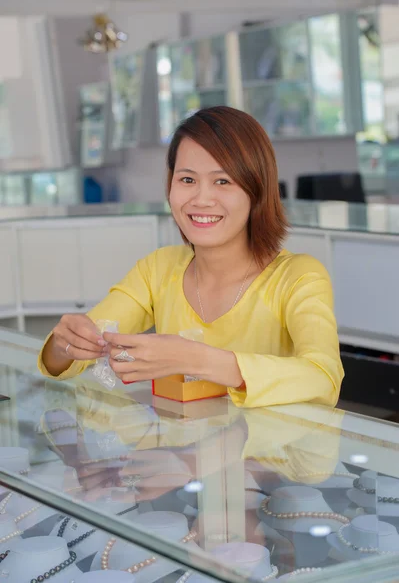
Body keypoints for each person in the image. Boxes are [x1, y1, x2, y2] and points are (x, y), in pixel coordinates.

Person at [38, 106, 344, 408]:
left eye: (223, 181)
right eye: (187, 180)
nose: (201, 199)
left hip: (267, 455)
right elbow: (60, 362)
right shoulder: (158, 269)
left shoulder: (298, 276)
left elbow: (324, 378)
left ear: (257, 191)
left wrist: (195, 358)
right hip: (179, 453)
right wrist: (67, 343)